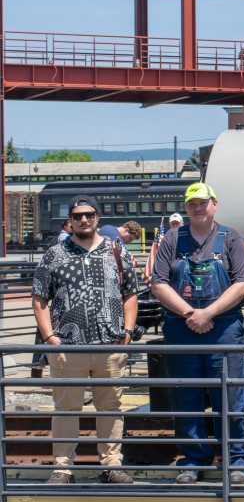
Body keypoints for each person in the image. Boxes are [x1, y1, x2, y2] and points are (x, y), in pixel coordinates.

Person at [151, 182, 244, 484]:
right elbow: (159, 284)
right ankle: (193, 459)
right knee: (186, 396)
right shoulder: (172, 239)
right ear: (186, 208)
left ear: (214, 204)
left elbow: (242, 284)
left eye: (203, 202)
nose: (198, 208)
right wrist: (190, 314)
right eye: (192, 204)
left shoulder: (231, 238)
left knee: (230, 396)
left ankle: (235, 459)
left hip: (223, 328)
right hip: (181, 327)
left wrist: (208, 313)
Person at [32, 195, 140, 484]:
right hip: (68, 347)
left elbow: (131, 293)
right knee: (66, 410)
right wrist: (49, 337)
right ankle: (63, 468)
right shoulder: (54, 254)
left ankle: (112, 465)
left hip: (110, 344)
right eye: (78, 216)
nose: (84, 220)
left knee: (111, 408)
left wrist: (128, 331)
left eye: (89, 215)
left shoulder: (116, 250)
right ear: (70, 220)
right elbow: (39, 298)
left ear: (97, 218)